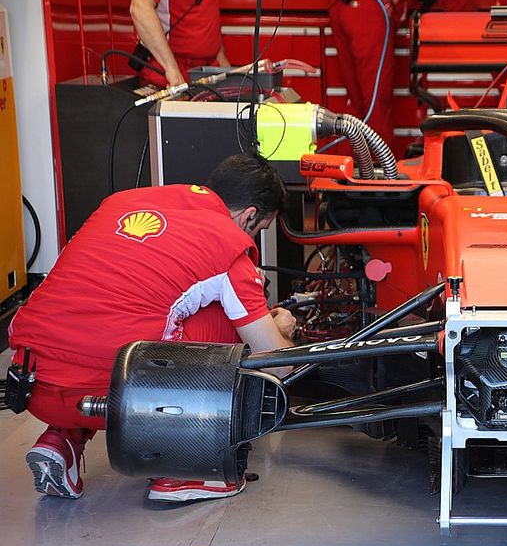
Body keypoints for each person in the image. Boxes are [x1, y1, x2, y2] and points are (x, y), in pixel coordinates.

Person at [8, 154, 295, 502]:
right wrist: (280, 327)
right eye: (260, 229)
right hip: (120, 395)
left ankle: (61, 440)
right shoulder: (227, 243)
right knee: (234, 331)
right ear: (250, 215)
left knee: (114, 314)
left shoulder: (120, 201)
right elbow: (277, 363)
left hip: (32, 382)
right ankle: (181, 471)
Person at [328, 0, 477, 148]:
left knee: (358, 104)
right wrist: (479, 25)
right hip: (369, 12)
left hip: (340, 3)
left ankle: (346, 169)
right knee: (376, 104)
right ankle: (382, 171)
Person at [129, 0, 229, 88]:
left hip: (208, 69)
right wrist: (171, 69)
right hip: (168, 71)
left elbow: (207, 5)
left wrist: (221, 59)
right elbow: (140, 7)